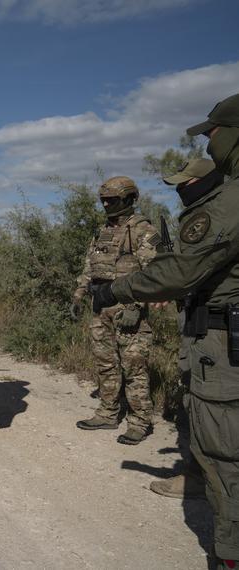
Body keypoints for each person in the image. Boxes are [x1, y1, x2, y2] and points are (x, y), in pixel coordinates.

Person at [91, 92, 239, 569]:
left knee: (224, 447)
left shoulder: (222, 204)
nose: (109, 204)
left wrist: (120, 294)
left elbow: (174, 270)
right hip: (199, 329)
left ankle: (229, 552)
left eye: (213, 132)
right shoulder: (105, 231)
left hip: (212, 337)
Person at [149, 158, 221, 500]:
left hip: (215, 330)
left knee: (208, 402)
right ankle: (201, 474)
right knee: (198, 399)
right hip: (198, 321)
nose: (180, 192)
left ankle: (205, 478)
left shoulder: (218, 218)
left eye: (185, 184)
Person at [70, 176, 160, 445]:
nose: (108, 204)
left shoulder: (143, 231)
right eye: (104, 200)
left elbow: (154, 274)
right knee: (106, 363)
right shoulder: (102, 231)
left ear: (130, 199)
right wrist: (78, 296)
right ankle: (108, 413)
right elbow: (90, 266)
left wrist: (137, 305)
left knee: (134, 367)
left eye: (113, 200)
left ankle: (140, 421)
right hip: (100, 307)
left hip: (128, 309)